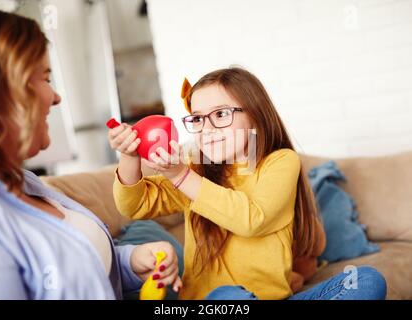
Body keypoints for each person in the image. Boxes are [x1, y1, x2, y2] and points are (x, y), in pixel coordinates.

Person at [108, 67, 387, 300]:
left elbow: (252, 218)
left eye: (220, 114)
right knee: (229, 296)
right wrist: (130, 157)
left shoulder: (280, 162)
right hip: (217, 302)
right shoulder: (195, 170)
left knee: (364, 280)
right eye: (197, 118)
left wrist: (181, 176)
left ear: (254, 113)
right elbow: (135, 205)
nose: (206, 129)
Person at [0, 9, 181, 299]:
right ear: (6, 93)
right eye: (45, 78)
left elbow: (81, 269)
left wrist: (131, 261)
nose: (56, 97)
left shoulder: (28, 183)